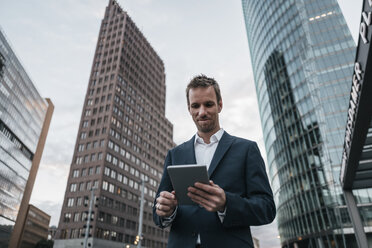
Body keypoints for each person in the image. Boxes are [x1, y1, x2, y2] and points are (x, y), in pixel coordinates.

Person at [153, 75, 276, 248]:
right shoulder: (174, 154)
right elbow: (157, 213)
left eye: (208, 104)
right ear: (189, 108)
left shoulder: (246, 149)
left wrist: (227, 203)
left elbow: (267, 209)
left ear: (220, 105)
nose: (202, 112)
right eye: (195, 106)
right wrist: (165, 209)